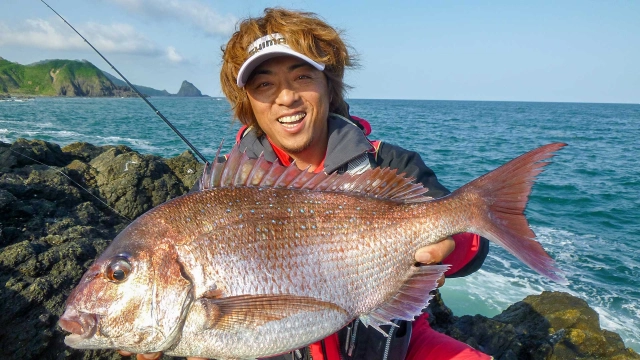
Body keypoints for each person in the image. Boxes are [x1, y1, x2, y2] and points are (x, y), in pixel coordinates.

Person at [121, 7, 491, 360]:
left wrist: (449, 245)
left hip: (394, 346)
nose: (286, 97)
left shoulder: (388, 164)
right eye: (264, 84)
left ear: (329, 87)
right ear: (248, 102)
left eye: (302, 76)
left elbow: (470, 245)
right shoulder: (217, 191)